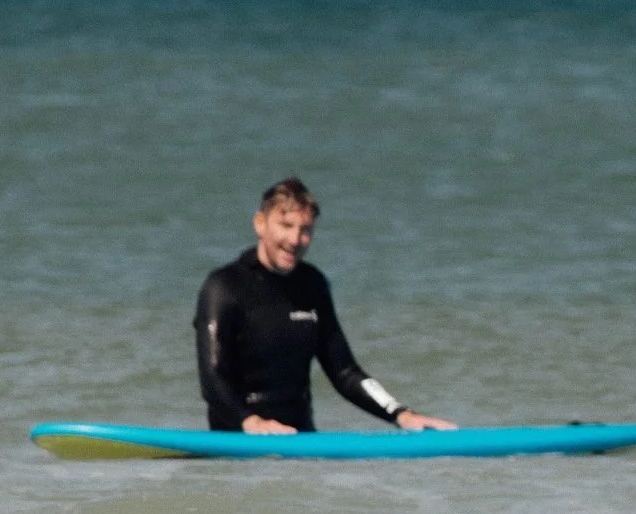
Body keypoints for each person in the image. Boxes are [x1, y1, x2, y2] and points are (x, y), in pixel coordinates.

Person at [193, 177, 456, 435]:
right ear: (260, 224)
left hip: (301, 442)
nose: (295, 240)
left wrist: (401, 414)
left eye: (305, 230)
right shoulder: (224, 287)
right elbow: (212, 379)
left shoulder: (312, 285)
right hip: (236, 446)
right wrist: (250, 422)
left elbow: (345, 372)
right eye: (286, 225)